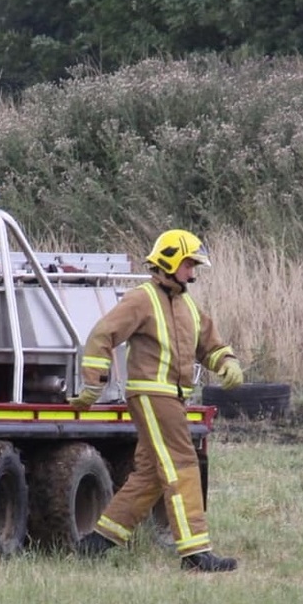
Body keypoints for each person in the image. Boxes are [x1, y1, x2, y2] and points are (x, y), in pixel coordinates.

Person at [70, 229, 245, 573]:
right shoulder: (142, 299)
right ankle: (195, 552)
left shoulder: (186, 305)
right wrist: (93, 384)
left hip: (172, 397)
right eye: (189, 265)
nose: (193, 273)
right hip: (152, 394)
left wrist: (227, 362)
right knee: (182, 465)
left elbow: (209, 344)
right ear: (169, 261)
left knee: (150, 475)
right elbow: (102, 336)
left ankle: (99, 541)